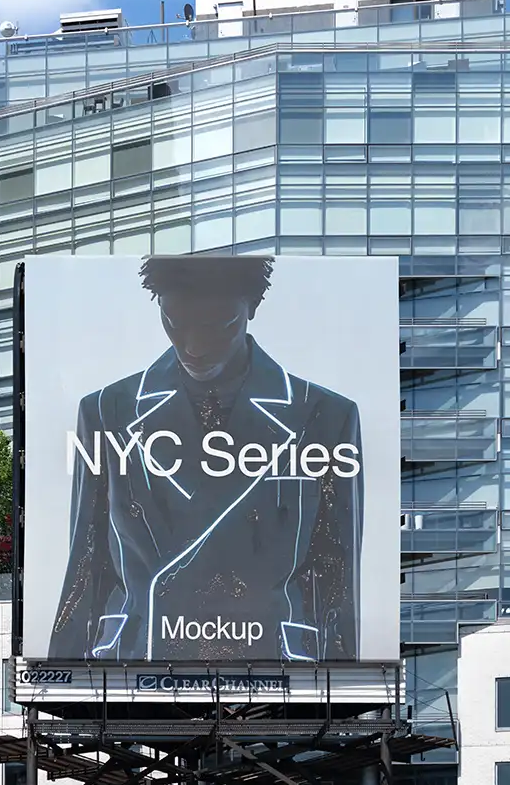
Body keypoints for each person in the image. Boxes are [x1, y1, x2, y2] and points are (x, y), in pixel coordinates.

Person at [49, 254, 364, 665]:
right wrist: (57, 678)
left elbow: (336, 567)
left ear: (252, 308)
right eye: (175, 323)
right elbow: (86, 557)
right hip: (137, 657)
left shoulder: (324, 415)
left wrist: (345, 686)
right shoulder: (108, 410)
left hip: (273, 663)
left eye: (221, 326)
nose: (193, 347)